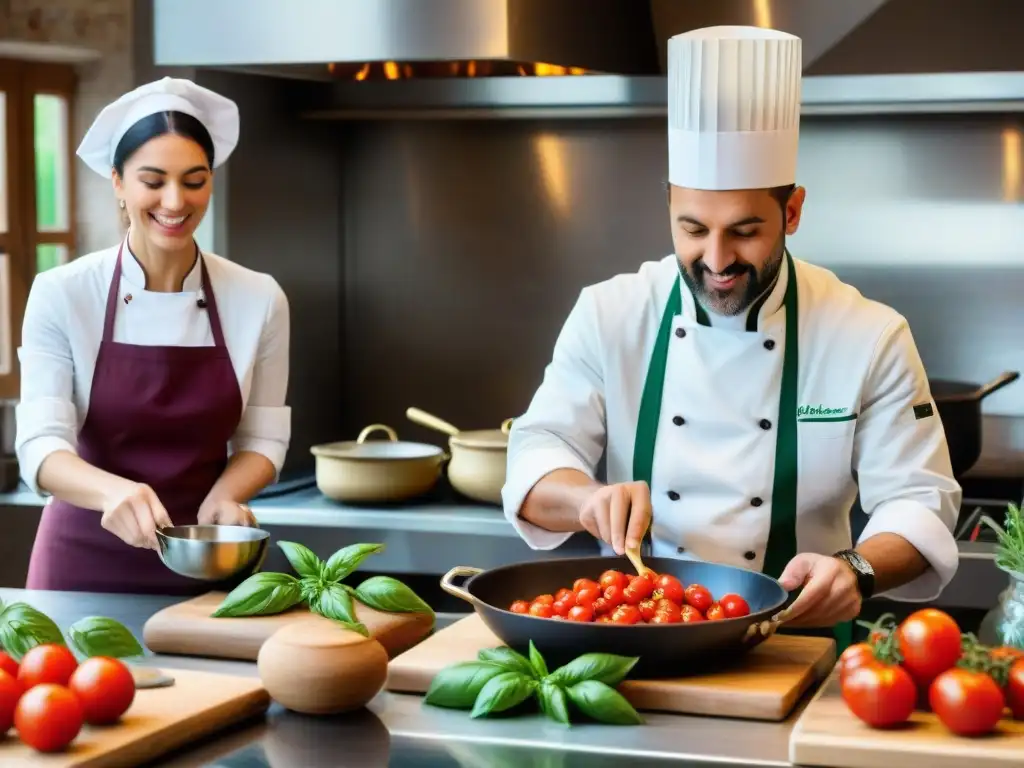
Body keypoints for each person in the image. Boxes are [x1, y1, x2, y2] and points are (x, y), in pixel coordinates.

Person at [501, 26, 961, 649]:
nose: (716, 260)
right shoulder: (610, 313)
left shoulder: (868, 334)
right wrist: (587, 501)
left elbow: (919, 500)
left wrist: (856, 569)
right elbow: (536, 455)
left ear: (792, 212)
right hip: (645, 634)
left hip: (802, 643)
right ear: (668, 205)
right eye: (693, 229)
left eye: (745, 231)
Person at [16, 77, 291, 595]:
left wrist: (229, 493)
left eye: (194, 180)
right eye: (152, 179)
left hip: (207, 558)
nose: (175, 201)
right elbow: (40, 445)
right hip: (81, 561)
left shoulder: (259, 298)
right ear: (118, 182)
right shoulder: (62, 292)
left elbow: (263, 439)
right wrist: (110, 492)